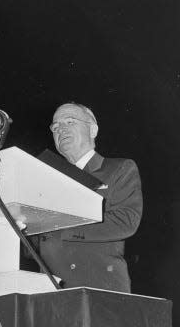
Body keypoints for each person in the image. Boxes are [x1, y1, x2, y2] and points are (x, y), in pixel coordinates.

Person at [38, 102, 142, 293]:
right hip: (49, 290)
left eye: (70, 121)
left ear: (92, 130)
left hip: (98, 287)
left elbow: (126, 220)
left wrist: (62, 227)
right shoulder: (46, 179)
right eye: (56, 126)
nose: (61, 129)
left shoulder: (119, 169)